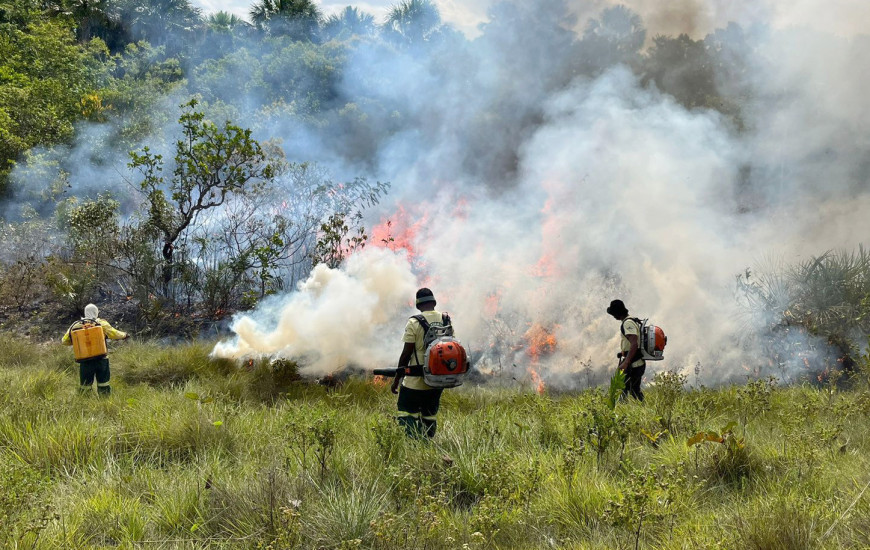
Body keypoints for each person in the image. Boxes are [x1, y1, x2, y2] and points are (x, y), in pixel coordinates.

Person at [391, 288, 450, 438]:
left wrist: (397, 379)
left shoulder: (414, 322)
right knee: (429, 414)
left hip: (415, 381)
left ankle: (413, 445)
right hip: (437, 380)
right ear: (434, 302)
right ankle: (426, 443)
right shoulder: (446, 320)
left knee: (406, 412)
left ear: (418, 305)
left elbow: (406, 354)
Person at [61, 303, 128, 396]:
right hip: (101, 359)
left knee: (85, 385)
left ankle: (85, 402)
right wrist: (125, 335)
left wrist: (78, 340)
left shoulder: (76, 325)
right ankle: (104, 401)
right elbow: (114, 333)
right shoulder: (101, 323)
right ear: (96, 312)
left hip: (85, 360)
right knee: (103, 383)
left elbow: (64, 341)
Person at [607, 299, 645, 401]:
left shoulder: (628, 323)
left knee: (623, 388)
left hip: (634, 364)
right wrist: (623, 353)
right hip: (634, 362)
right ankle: (640, 407)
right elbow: (631, 344)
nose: (613, 316)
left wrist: (626, 362)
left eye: (613, 313)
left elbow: (634, 343)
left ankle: (621, 409)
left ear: (617, 313)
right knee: (632, 389)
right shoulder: (630, 320)